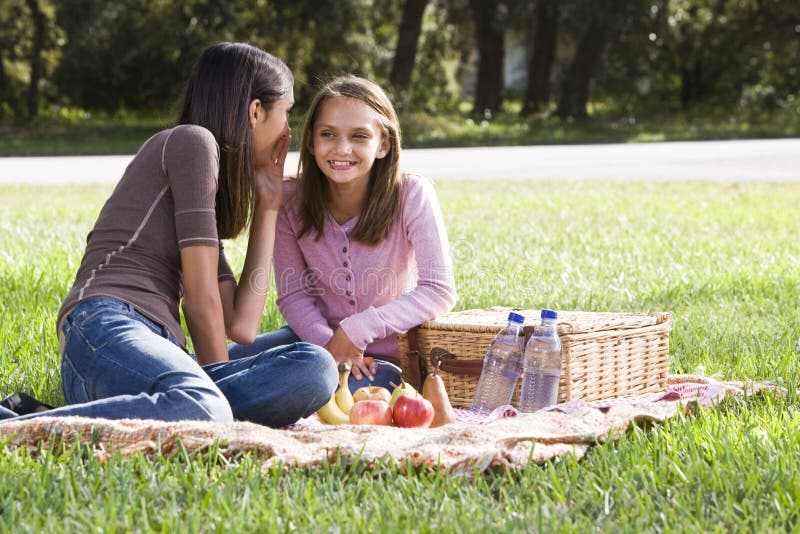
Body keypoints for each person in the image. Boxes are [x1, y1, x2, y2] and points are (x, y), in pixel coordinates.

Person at [0, 42, 338, 427]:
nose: (288, 131)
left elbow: (241, 325)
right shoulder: (192, 142)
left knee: (312, 362)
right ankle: (19, 427)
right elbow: (201, 302)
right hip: (106, 328)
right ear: (256, 111)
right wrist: (215, 391)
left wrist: (269, 205)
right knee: (205, 407)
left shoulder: (204, 185)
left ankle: (59, 416)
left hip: (155, 351)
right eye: (287, 113)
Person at [229, 75, 457, 392]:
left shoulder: (412, 193)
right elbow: (294, 295)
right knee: (212, 363)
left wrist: (357, 329)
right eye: (328, 134)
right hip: (314, 342)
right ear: (310, 141)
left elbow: (438, 290)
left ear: (384, 145)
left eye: (359, 136)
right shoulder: (290, 200)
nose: (342, 148)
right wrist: (330, 347)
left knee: (308, 385)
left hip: (384, 359)